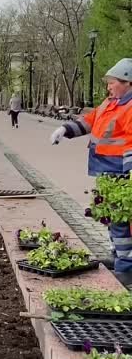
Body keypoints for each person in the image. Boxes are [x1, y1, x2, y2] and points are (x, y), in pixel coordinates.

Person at [50, 58, 132, 286]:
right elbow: (89, 121)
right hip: (106, 171)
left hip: (122, 174)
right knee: (111, 218)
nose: (108, 87)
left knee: (121, 221)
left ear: (128, 82)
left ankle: (127, 268)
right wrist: (65, 129)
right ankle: (118, 258)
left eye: (112, 82)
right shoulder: (111, 103)